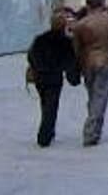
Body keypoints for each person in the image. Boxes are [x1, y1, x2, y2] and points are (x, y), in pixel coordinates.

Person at [72, 0, 108, 147]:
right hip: (106, 61)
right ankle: (91, 131)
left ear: (88, 5)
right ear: (102, 4)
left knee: (93, 95)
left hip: (87, 62)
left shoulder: (81, 24)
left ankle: (94, 127)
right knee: (100, 95)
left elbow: (76, 48)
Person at [27, 9, 80, 147]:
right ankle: (45, 135)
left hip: (40, 76)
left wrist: (37, 66)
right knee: (52, 105)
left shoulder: (40, 39)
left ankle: (49, 130)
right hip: (54, 77)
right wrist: (73, 77)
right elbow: (70, 61)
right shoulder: (65, 42)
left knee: (45, 103)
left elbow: (31, 56)